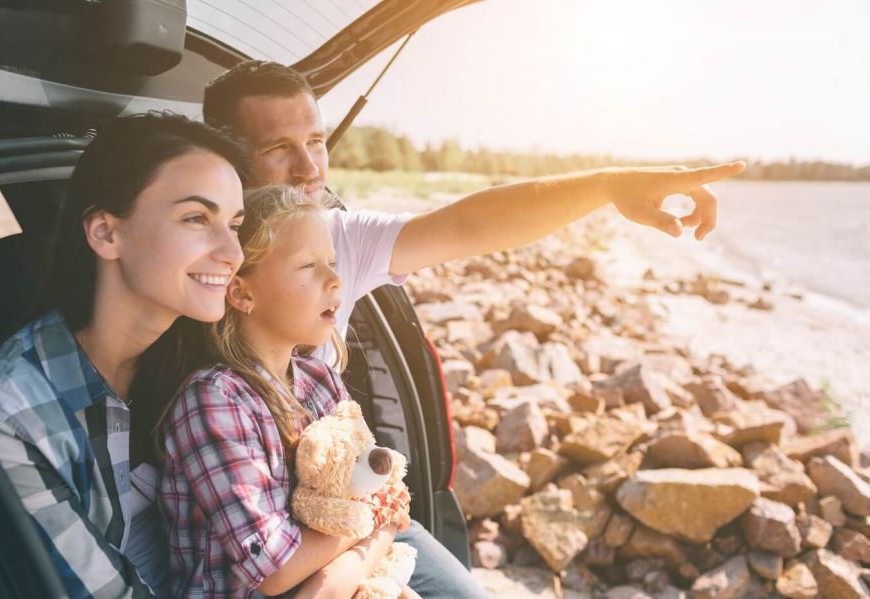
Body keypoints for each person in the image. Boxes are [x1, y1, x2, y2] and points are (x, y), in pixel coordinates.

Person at [199, 60, 746, 598]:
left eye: (316, 141)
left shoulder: (335, 235)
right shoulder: (194, 269)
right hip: (282, 544)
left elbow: (466, 224)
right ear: (227, 161)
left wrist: (608, 186)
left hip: (354, 510)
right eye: (278, 148)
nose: (309, 168)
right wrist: (374, 523)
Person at [0, 112, 250, 598]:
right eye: (197, 218)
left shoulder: (212, 365)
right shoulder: (10, 414)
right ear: (105, 233)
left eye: (235, 224)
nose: (233, 252)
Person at [157, 185, 416, 599]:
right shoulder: (215, 400)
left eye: (332, 262)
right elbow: (274, 567)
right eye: (308, 265)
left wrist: (347, 569)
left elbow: (387, 495)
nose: (335, 279)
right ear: (242, 293)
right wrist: (375, 520)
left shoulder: (320, 379)